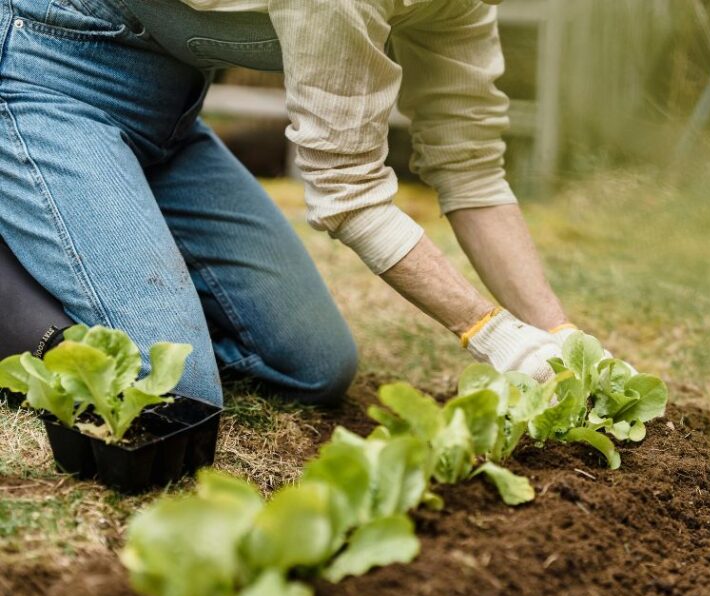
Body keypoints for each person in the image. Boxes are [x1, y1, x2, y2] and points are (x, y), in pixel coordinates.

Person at [0, 0, 578, 408]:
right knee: (175, 394)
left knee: (312, 368)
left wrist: (562, 337)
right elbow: (347, 194)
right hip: (45, 72)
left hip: (168, 113)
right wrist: (490, 331)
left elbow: (470, 167)